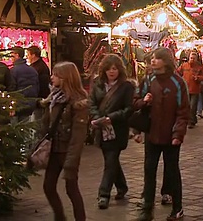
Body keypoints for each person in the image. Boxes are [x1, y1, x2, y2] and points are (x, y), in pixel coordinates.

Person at [134, 48, 190, 221]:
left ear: (166, 62)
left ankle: (177, 208)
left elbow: (183, 111)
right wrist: (144, 101)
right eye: (152, 58)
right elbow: (135, 102)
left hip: (171, 135)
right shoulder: (148, 80)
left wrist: (178, 134)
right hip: (152, 133)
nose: (153, 61)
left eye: (157, 58)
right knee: (149, 171)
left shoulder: (177, 83)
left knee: (172, 171)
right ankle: (147, 209)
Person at [39, 62, 89, 221]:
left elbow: (78, 136)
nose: (52, 77)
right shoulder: (53, 97)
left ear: (65, 78)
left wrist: (71, 162)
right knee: (48, 186)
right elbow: (46, 126)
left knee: (71, 189)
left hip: (67, 151)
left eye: (56, 74)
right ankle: (60, 217)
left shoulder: (78, 102)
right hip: (54, 149)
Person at [89, 54, 135, 209]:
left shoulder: (126, 86)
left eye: (114, 68)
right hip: (101, 129)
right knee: (111, 160)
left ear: (119, 70)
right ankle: (122, 186)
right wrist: (96, 118)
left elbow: (129, 108)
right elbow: (92, 103)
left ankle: (104, 194)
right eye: (109, 69)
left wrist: (112, 118)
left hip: (117, 129)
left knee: (110, 160)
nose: (111, 72)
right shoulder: (97, 83)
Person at [177, 51, 203, 128]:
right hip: (186, 89)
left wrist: (198, 78)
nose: (192, 59)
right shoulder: (184, 66)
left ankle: (191, 121)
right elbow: (178, 73)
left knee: (193, 106)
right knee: (187, 106)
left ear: (196, 59)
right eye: (191, 58)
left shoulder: (200, 67)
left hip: (195, 89)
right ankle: (190, 120)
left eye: (194, 58)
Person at [10, 47, 39, 119]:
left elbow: (12, 88)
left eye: (11, 55)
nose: (10, 58)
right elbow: (37, 87)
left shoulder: (13, 71)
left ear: (17, 55)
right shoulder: (33, 70)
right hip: (31, 103)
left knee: (16, 127)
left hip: (18, 104)